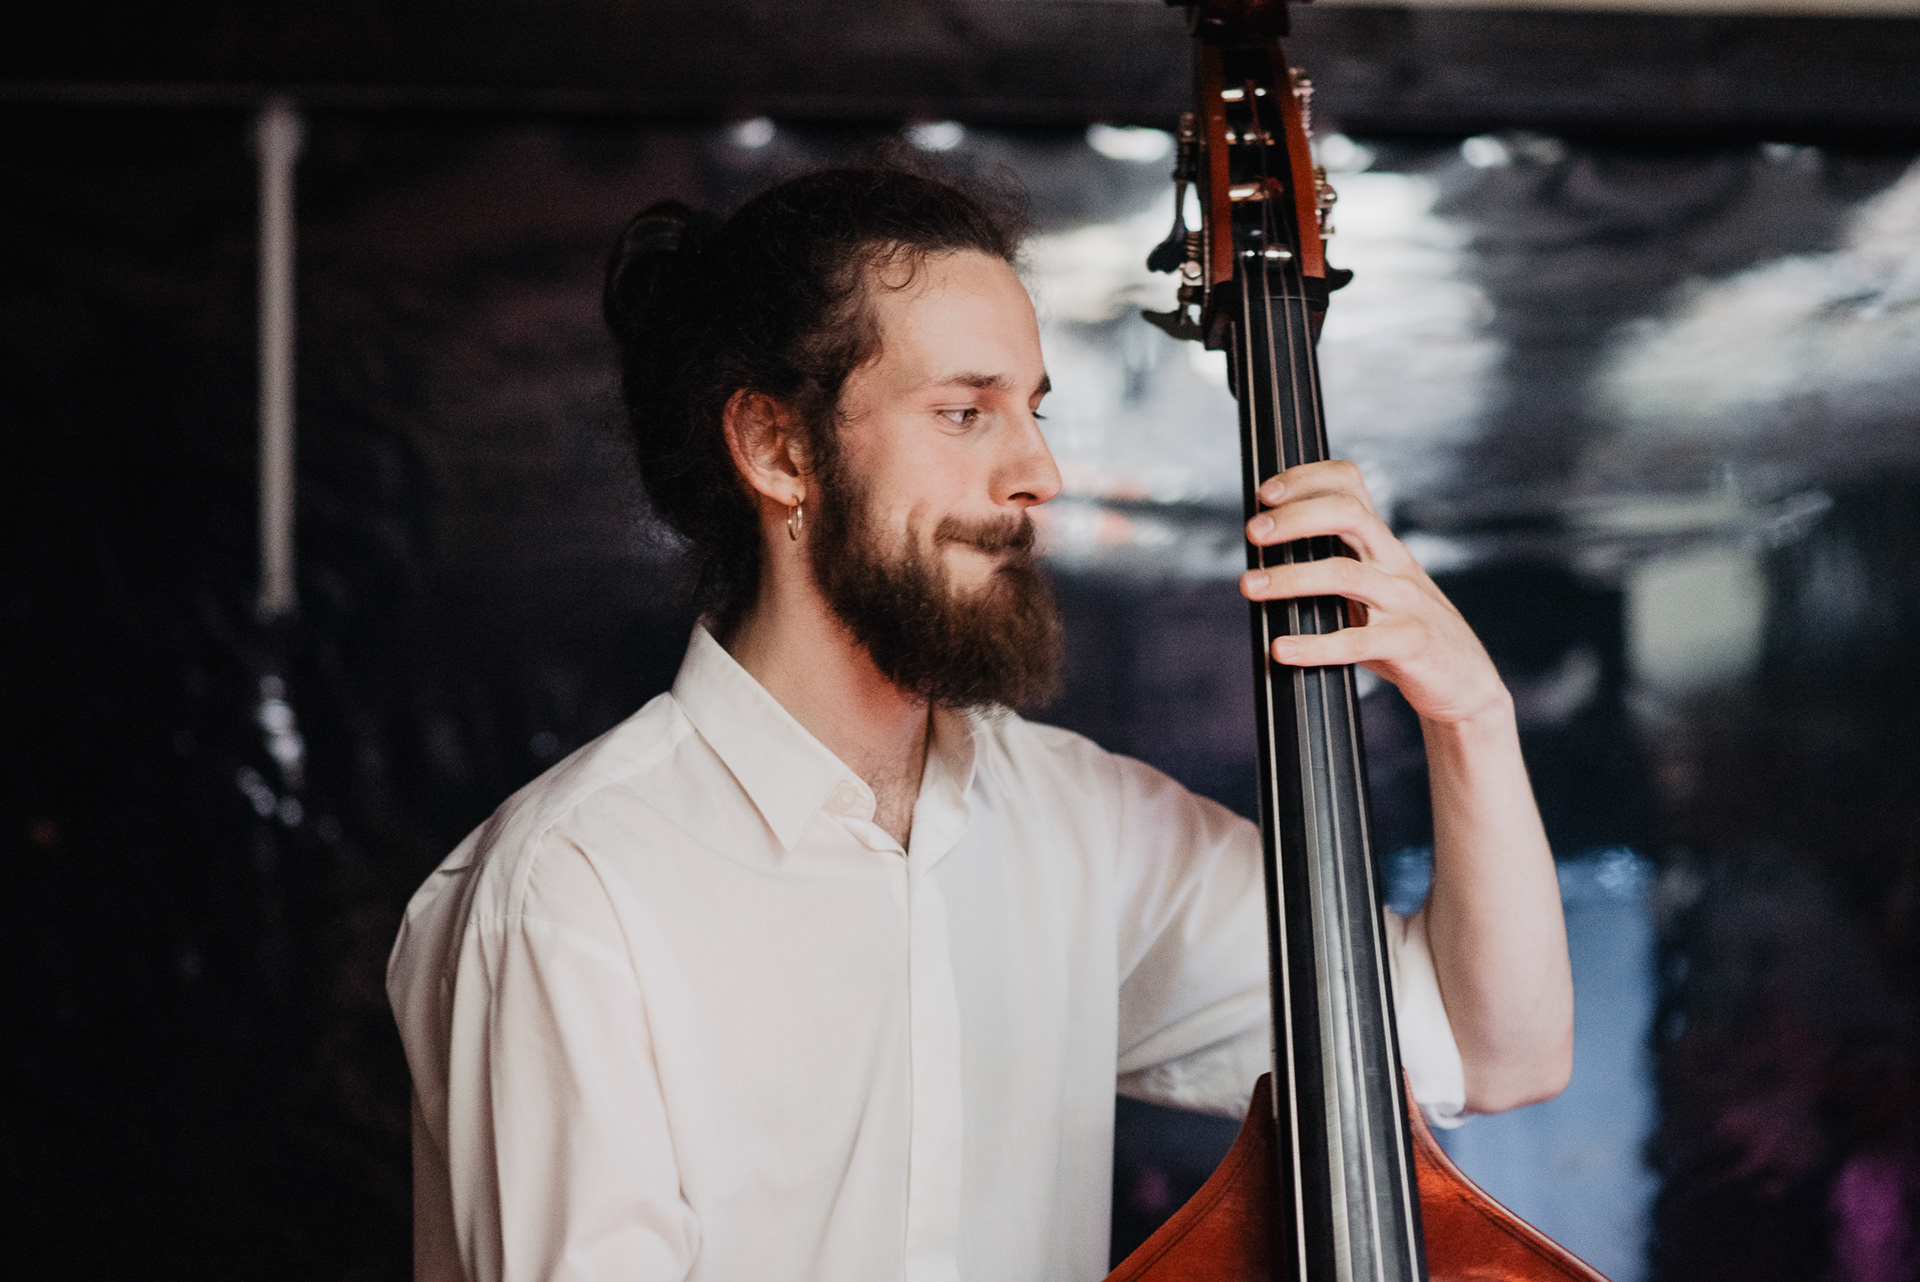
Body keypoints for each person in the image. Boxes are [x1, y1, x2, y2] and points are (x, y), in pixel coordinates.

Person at [387, 166, 1573, 1282]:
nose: (1039, 471)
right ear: (776, 447)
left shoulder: (1079, 822)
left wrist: (1469, 714)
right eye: (965, 412)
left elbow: (1490, 1047)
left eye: (1034, 410)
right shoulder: (572, 888)